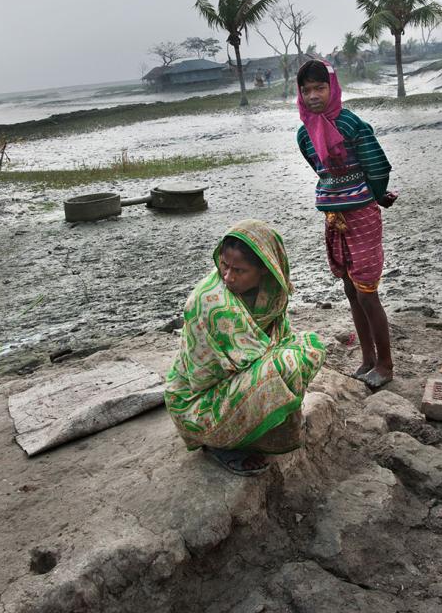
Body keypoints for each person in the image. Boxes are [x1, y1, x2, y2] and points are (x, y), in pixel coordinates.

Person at [164, 220, 326, 476]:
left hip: (233, 383)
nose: (228, 276)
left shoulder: (271, 294)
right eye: (224, 266)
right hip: (199, 400)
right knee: (285, 366)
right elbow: (220, 372)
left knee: (310, 347)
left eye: (239, 270)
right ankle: (222, 444)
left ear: (265, 269)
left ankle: (255, 432)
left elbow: (279, 340)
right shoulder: (212, 302)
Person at [295, 59, 397, 391]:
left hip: (361, 215)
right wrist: (340, 192)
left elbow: (377, 166)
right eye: (306, 90)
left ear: (333, 88)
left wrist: (377, 195)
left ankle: (385, 364)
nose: (313, 95)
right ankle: (367, 359)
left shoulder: (353, 125)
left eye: (320, 88)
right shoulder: (304, 132)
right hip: (333, 216)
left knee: (367, 291)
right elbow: (320, 169)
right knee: (350, 289)